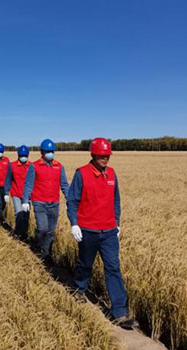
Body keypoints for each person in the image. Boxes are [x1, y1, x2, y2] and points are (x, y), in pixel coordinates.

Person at [67, 137, 139, 330]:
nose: (105, 158)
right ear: (93, 154)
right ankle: (79, 289)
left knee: (113, 267)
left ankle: (119, 312)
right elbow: (72, 201)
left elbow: (116, 201)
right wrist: (74, 224)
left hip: (108, 232)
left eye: (107, 155)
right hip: (88, 230)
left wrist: (117, 224)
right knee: (85, 264)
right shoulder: (81, 174)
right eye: (101, 155)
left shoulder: (112, 174)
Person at [22, 139, 69, 261]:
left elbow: (64, 185)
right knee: (42, 228)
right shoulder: (34, 166)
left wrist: (69, 200)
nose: (50, 153)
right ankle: (38, 247)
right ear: (42, 152)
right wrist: (25, 200)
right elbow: (28, 184)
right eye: (48, 151)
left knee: (50, 231)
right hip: (39, 202)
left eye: (52, 151)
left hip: (54, 203)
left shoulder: (59, 166)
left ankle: (46, 254)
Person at [4, 145, 31, 241]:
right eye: (21, 155)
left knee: (26, 215)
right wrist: (6, 193)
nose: (23, 157)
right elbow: (8, 179)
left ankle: (25, 234)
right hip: (16, 193)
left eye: (25, 155)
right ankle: (18, 234)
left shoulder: (31, 166)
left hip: (27, 195)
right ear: (18, 155)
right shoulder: (12, 166)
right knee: (19, 213)